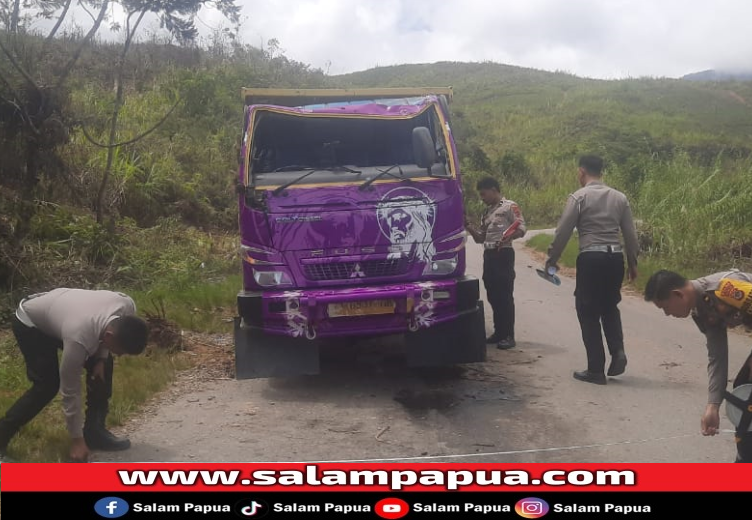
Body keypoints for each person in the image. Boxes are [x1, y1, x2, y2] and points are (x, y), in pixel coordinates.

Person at [0, 288, 149, 462]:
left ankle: (95, 432)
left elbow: (106, 330)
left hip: (67, 315)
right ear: (110, 337)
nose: (121, 355)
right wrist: (76, 440)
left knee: (104, 365)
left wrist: (100, 360)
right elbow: (70, 390)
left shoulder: (127, 306)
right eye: (121, 351)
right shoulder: (79, 336)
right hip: (31, 322)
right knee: (47, 386)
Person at [545, 155, 639, 385]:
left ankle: (595, 369)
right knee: (609, 305)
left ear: (582, 171)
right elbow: (630, 234)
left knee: (587, 310)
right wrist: (633, 262)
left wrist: (552, 258)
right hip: (615, 257)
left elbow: (563, 231)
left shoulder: (579, 197)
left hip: (591, 257)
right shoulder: (620, 197)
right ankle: (617, 351)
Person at [644, 269, 752, 462]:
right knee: (743, 394)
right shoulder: (701, 311)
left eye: (665, 307)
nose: (667, 314)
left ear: (678, 295)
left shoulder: (727, 288)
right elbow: (717, 355)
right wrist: (713, 405)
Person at [465, 177, 526, 349]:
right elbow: (480, 238)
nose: (482, 198)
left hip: (503, 254)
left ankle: (508, 335)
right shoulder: (487, 212)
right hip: (489, 255)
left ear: (493, 190)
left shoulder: (509, 206)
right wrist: (468, 226)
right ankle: (499, 332)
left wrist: (510, 236)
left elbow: (521, 228)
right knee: (492, 294)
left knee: (504, 295)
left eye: (484, 194)